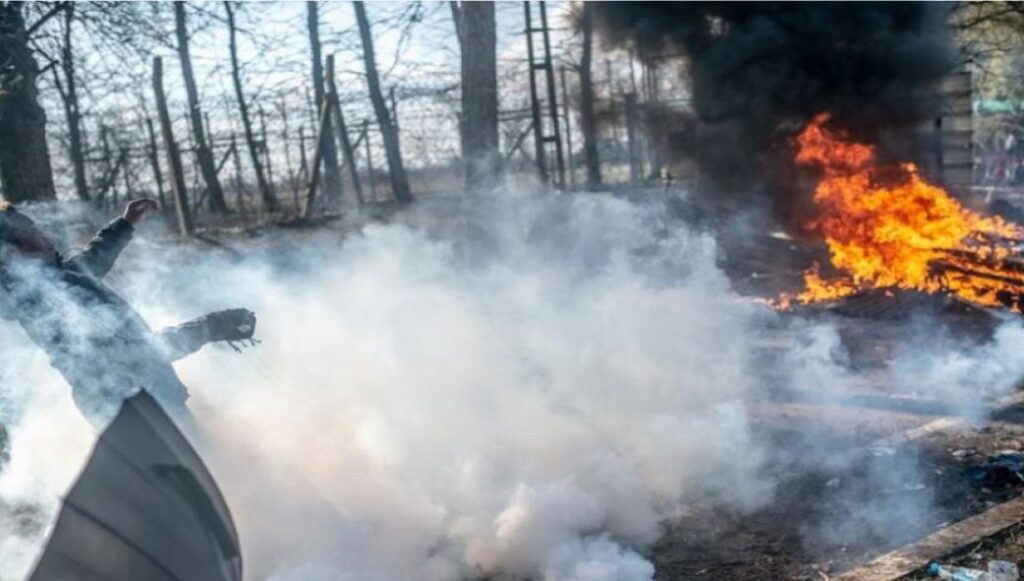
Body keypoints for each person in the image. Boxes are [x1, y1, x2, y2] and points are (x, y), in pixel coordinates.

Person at [0, 198, 255, 428]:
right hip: (135, 412)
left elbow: (93, 261)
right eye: (30, 230)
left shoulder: (56, 278)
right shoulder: (46, 298)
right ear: (13, 250)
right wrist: (209, 328)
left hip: (144, 401)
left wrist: (125, 224)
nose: (41, 232)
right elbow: (132, 352)